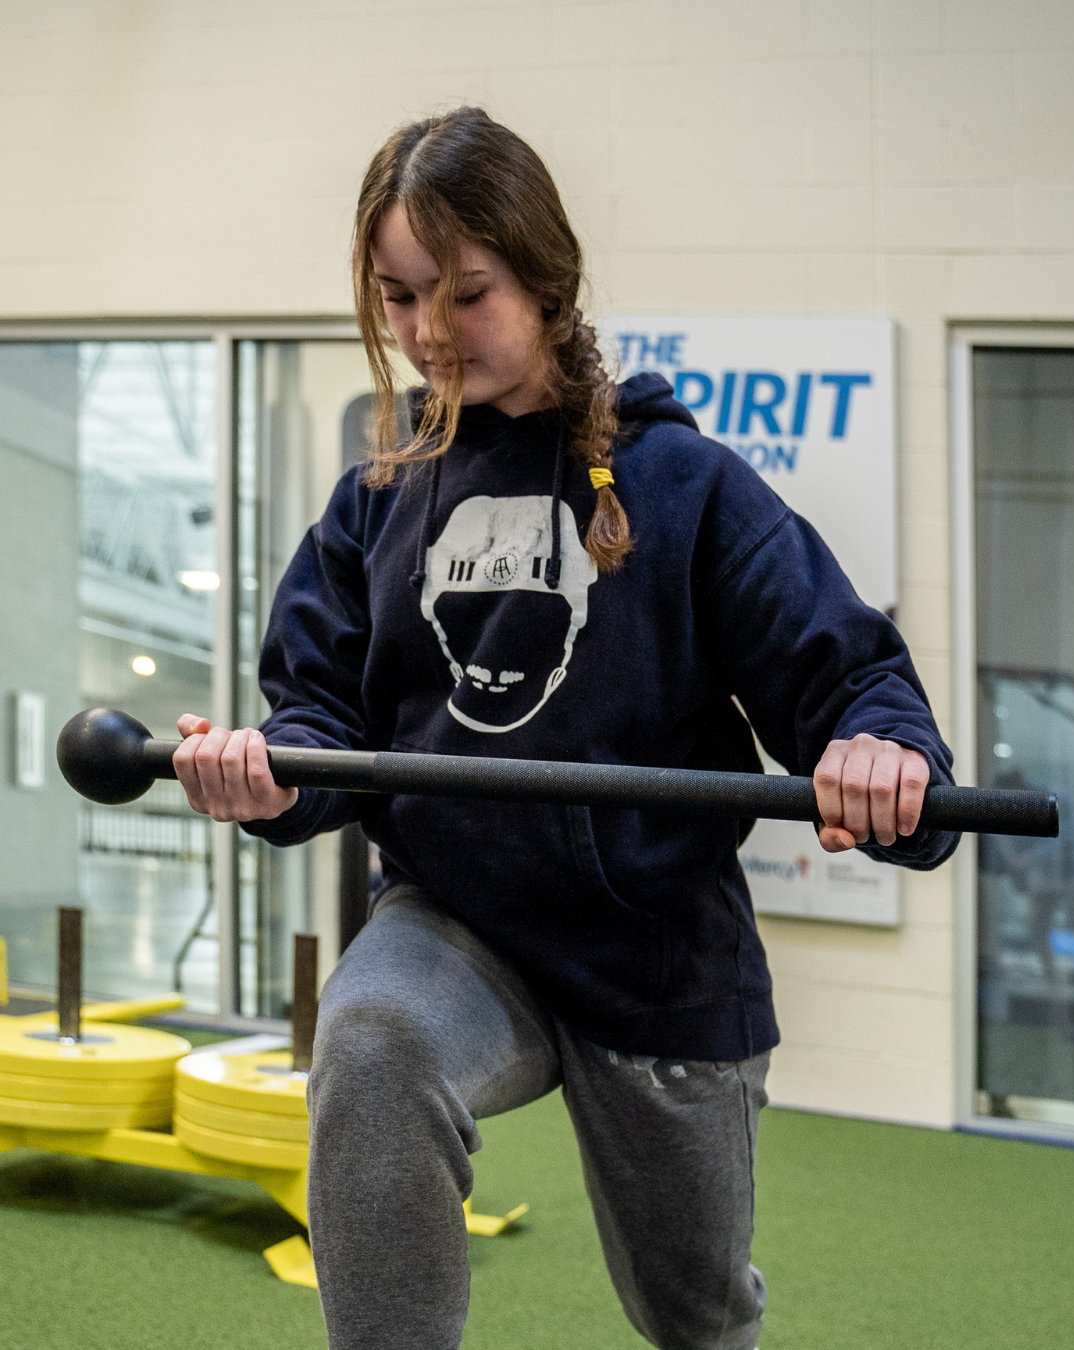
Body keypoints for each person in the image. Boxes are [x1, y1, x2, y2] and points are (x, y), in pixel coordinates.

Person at [172, 107, 959, 1350]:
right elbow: (317, 721)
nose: (428, 331)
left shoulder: (682, 488)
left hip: (653, 957)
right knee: (371, 1048)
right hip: (455, 924)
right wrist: (272, 779)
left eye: (466, 292)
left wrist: (881, 748)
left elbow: (851, 679)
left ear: (546, 277)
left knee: (694, 1311)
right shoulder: (377, 501)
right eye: (401, 294)